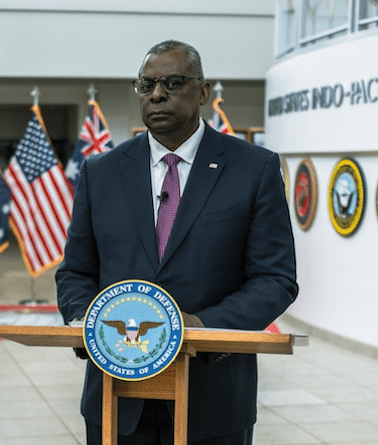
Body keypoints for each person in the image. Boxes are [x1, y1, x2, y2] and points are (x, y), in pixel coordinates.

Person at [56, 40, 298, 445]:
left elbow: (275, 279)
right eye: (146, 84)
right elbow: (76, 271)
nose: (156, 94)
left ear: (202, 92)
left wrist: (202, 326)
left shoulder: (254, 169)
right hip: (115, 397)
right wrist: (89, 322)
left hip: (213, 396)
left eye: (172, 82)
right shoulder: (101, 171)